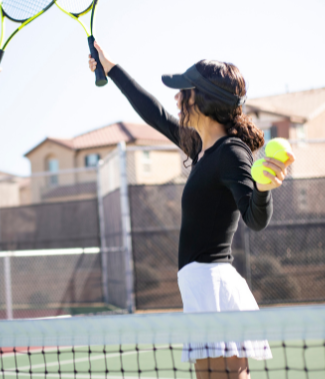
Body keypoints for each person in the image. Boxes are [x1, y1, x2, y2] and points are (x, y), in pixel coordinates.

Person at [88, 43, 294, 379]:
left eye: (184, 92)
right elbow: (154, 113)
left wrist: (263, 190)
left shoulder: (232, 153)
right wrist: (110, 67)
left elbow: (255, 220)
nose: (177, 98)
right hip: (205, 281)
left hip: (210, 281)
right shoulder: (202, 147)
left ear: (200, 99)